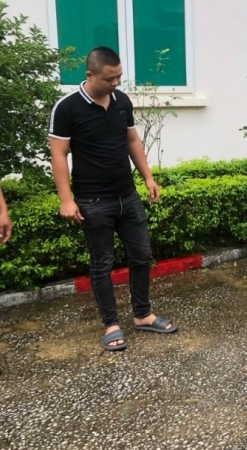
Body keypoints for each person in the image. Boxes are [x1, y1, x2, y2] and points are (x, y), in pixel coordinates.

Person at [49, 47, 177, 353]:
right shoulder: (67, 107)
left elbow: (131, 139)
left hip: (127, 195)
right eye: (110, 78)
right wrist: (66, 200)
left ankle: (143, 315)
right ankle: (111, 324)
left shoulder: (121, 101)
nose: (116, 83)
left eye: (119, 76)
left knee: (142, 255)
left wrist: (147, 177)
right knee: (102, 264)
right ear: (90, 75)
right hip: (93, 201)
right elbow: (58, 153)